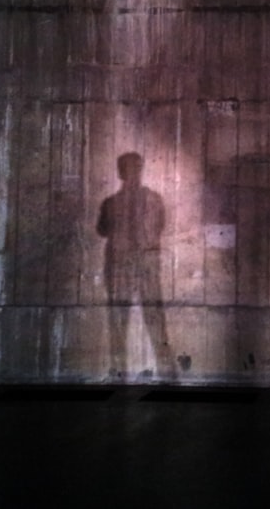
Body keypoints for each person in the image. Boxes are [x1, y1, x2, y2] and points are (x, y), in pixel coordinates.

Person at [97, 152, 173, 380]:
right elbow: (160, 225)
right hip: (140, 264)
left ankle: (121, 371)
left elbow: (102, 230)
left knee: (122, 320)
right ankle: (166, 371)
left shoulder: (111, 203)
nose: (134, 173)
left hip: (123, 264)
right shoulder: (153, 199)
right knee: (152, 319)